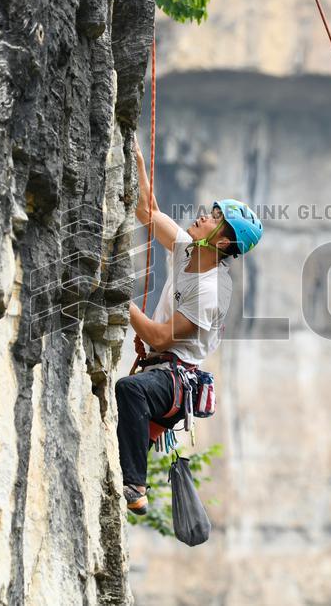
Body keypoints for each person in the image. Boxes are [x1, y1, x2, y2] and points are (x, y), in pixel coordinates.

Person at [115, 137, 263, 515]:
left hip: (175, 379)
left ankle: (135, 484)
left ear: (225, 240)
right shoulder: (187, 250)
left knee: (130, 390)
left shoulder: (211, 290)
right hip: (161, 369)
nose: (204, 216)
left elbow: (160, 337)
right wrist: (136, 159)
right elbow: (147, 210)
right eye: (211, 211)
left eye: (215, 219)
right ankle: (125, 477)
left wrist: (116, 294)